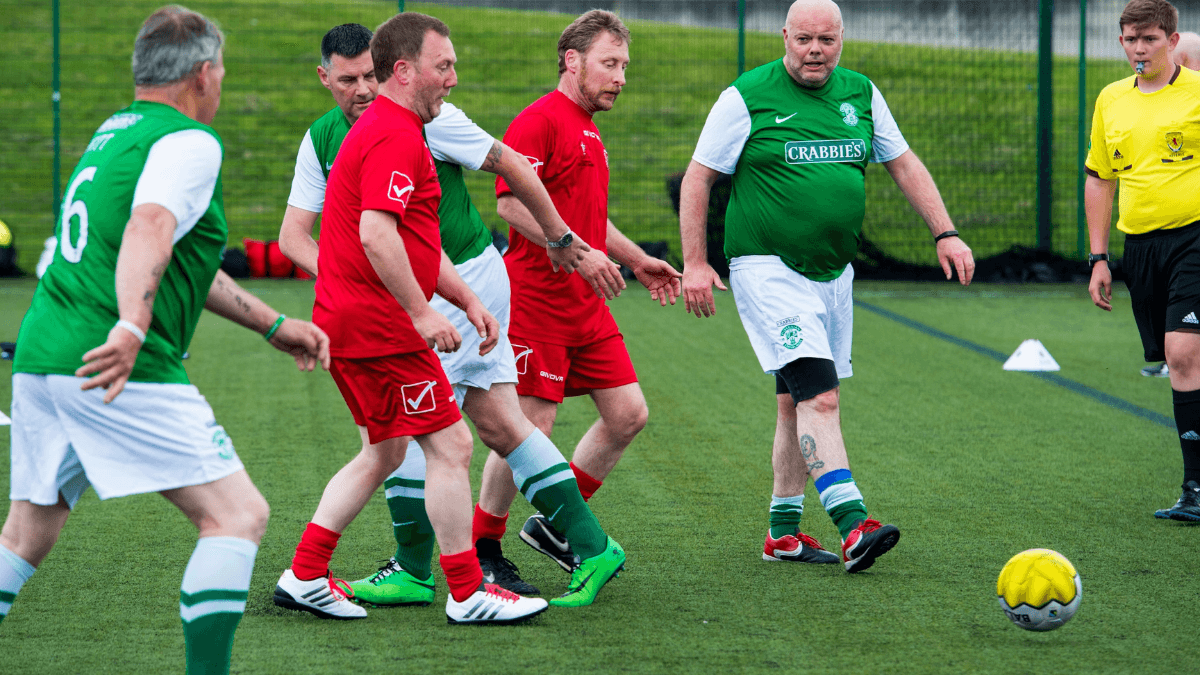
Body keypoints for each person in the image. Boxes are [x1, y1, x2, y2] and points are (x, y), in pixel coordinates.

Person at [1, 7, 331, 673]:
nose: (223, 81)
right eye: (222, 70)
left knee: (27, 532)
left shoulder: (114, 132)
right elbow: (150, 227)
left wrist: (273, 323)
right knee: (237, 515)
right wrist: (131, 326)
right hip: (112, 357)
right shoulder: (189, 140)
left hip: (42, 354)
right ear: (203, 74)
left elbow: (174, 253)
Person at [277, 22, 626, 608]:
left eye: (368, 76)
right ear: (326, 78)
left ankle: (425, 576)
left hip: (447, 284)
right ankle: (481, 576)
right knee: (458, 434)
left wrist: (556, 241)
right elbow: (321, 236)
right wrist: (376, 292)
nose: (362, 88)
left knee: (426, 440)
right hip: (395, 303)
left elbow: (496, 177)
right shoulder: (357, 133)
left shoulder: (424, 123)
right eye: (348, 79)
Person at [679, 0, 975, 573]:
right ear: (785, 37)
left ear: (842, 39)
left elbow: (903, 162)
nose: (815, 50)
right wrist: (695, 261)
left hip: (834, 274)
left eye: (827, 40)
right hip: (767, 269)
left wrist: (946, 232)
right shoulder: (746, 96)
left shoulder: (861, 93)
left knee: (794, 402)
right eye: (804, 39)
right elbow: (699, 177)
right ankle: (853, 524)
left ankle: (782, 534)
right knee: (821, 396)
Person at [474, 9, 682, 577]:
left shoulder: (588, 128)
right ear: (573, 60)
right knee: (528, 432)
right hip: (537, 304)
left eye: (624, 66)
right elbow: (509, 204)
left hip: (586, 306)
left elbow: (589, 216)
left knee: (627, 414)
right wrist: (572, 247)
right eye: (609, 64)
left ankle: (555, 526)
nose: (620, 77)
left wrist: (635, 259)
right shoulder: (539, 120)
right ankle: (484, 548)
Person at [1086, 0, 1200, 522]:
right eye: (1131, 39)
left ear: (1172, 41)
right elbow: (1099, 179)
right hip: (1142, 248)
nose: (1139, 49)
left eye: (1150, 39)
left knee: (1182, 353)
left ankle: (1194, 490)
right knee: (1177, 359)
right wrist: (1098, 258)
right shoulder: (1110, 99)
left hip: (1194, 238)